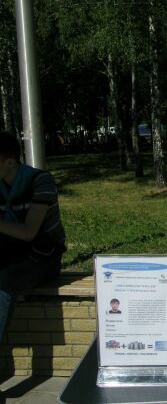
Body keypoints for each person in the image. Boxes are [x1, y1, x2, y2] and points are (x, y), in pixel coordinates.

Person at [0, 132, 66, 340]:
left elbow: (29, 232)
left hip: (43, 257)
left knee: (4, 280)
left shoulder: (40, 181)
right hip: (10, 255)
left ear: (10, 162)